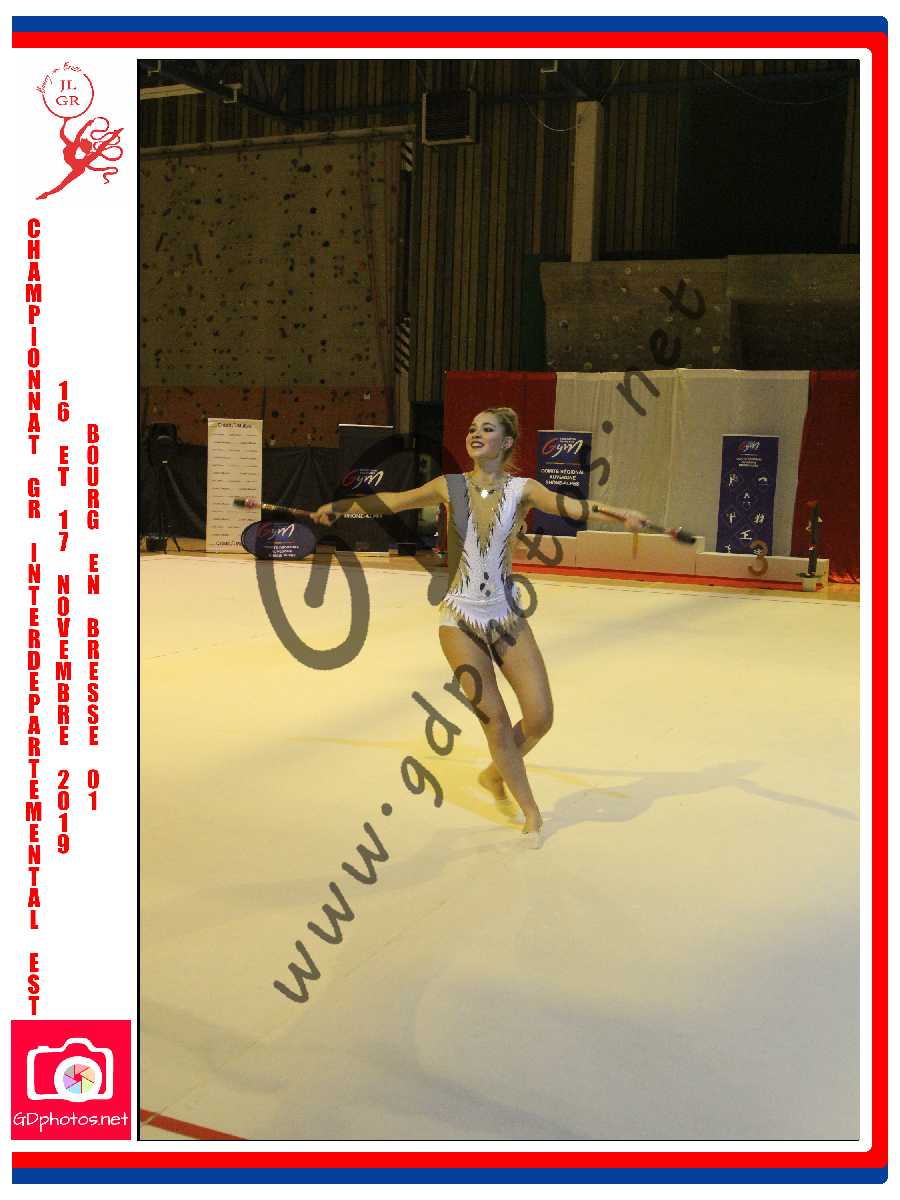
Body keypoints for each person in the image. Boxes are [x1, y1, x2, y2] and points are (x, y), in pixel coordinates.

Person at [311, 407, 646, 849]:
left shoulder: (524, 490)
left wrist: (618, 513)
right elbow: (395, 500)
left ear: (506, 443)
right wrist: (341, 506)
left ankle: (494, 773)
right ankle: (531, 811)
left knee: (540, 716)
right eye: (472, 427)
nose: (475, 433)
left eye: (487, 429)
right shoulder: (448, 486)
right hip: (459, 617)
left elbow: (572, 506)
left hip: (504, 613)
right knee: (497, 721)